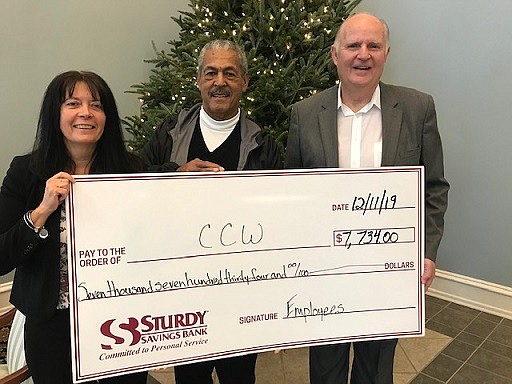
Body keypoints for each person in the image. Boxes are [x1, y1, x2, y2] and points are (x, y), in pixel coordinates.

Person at [285, 13, 449, 384]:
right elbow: (292, 195)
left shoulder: (417, 108)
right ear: (335, 54)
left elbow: (434, 188)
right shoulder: (305, 114)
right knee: (325, 367)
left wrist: (426, 251)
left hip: (388, 270)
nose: (363, 55)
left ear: (386, 53)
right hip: (324, 270)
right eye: (353, 45)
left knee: (375, 371)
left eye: (373, 46)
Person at [140, 40, 281, 384]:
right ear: (199, 80)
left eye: (230, 73)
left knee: (239, 377)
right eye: (211, 72)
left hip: (241, 294)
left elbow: (281, 224)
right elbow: (134, 185)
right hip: (183, 291)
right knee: (190, 378)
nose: (220, 81)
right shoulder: (169, 133)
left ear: (244, 81)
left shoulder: (265, 145)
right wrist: (175, 174)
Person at [0, 71, 148, 384]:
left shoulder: (132, 170)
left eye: (96, 104)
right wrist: (41, 211)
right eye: (73, 103)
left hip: (122, 319)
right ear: (55, 113)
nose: (85, 112)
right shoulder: (26, 172)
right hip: (52, 323)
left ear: (106, 116)